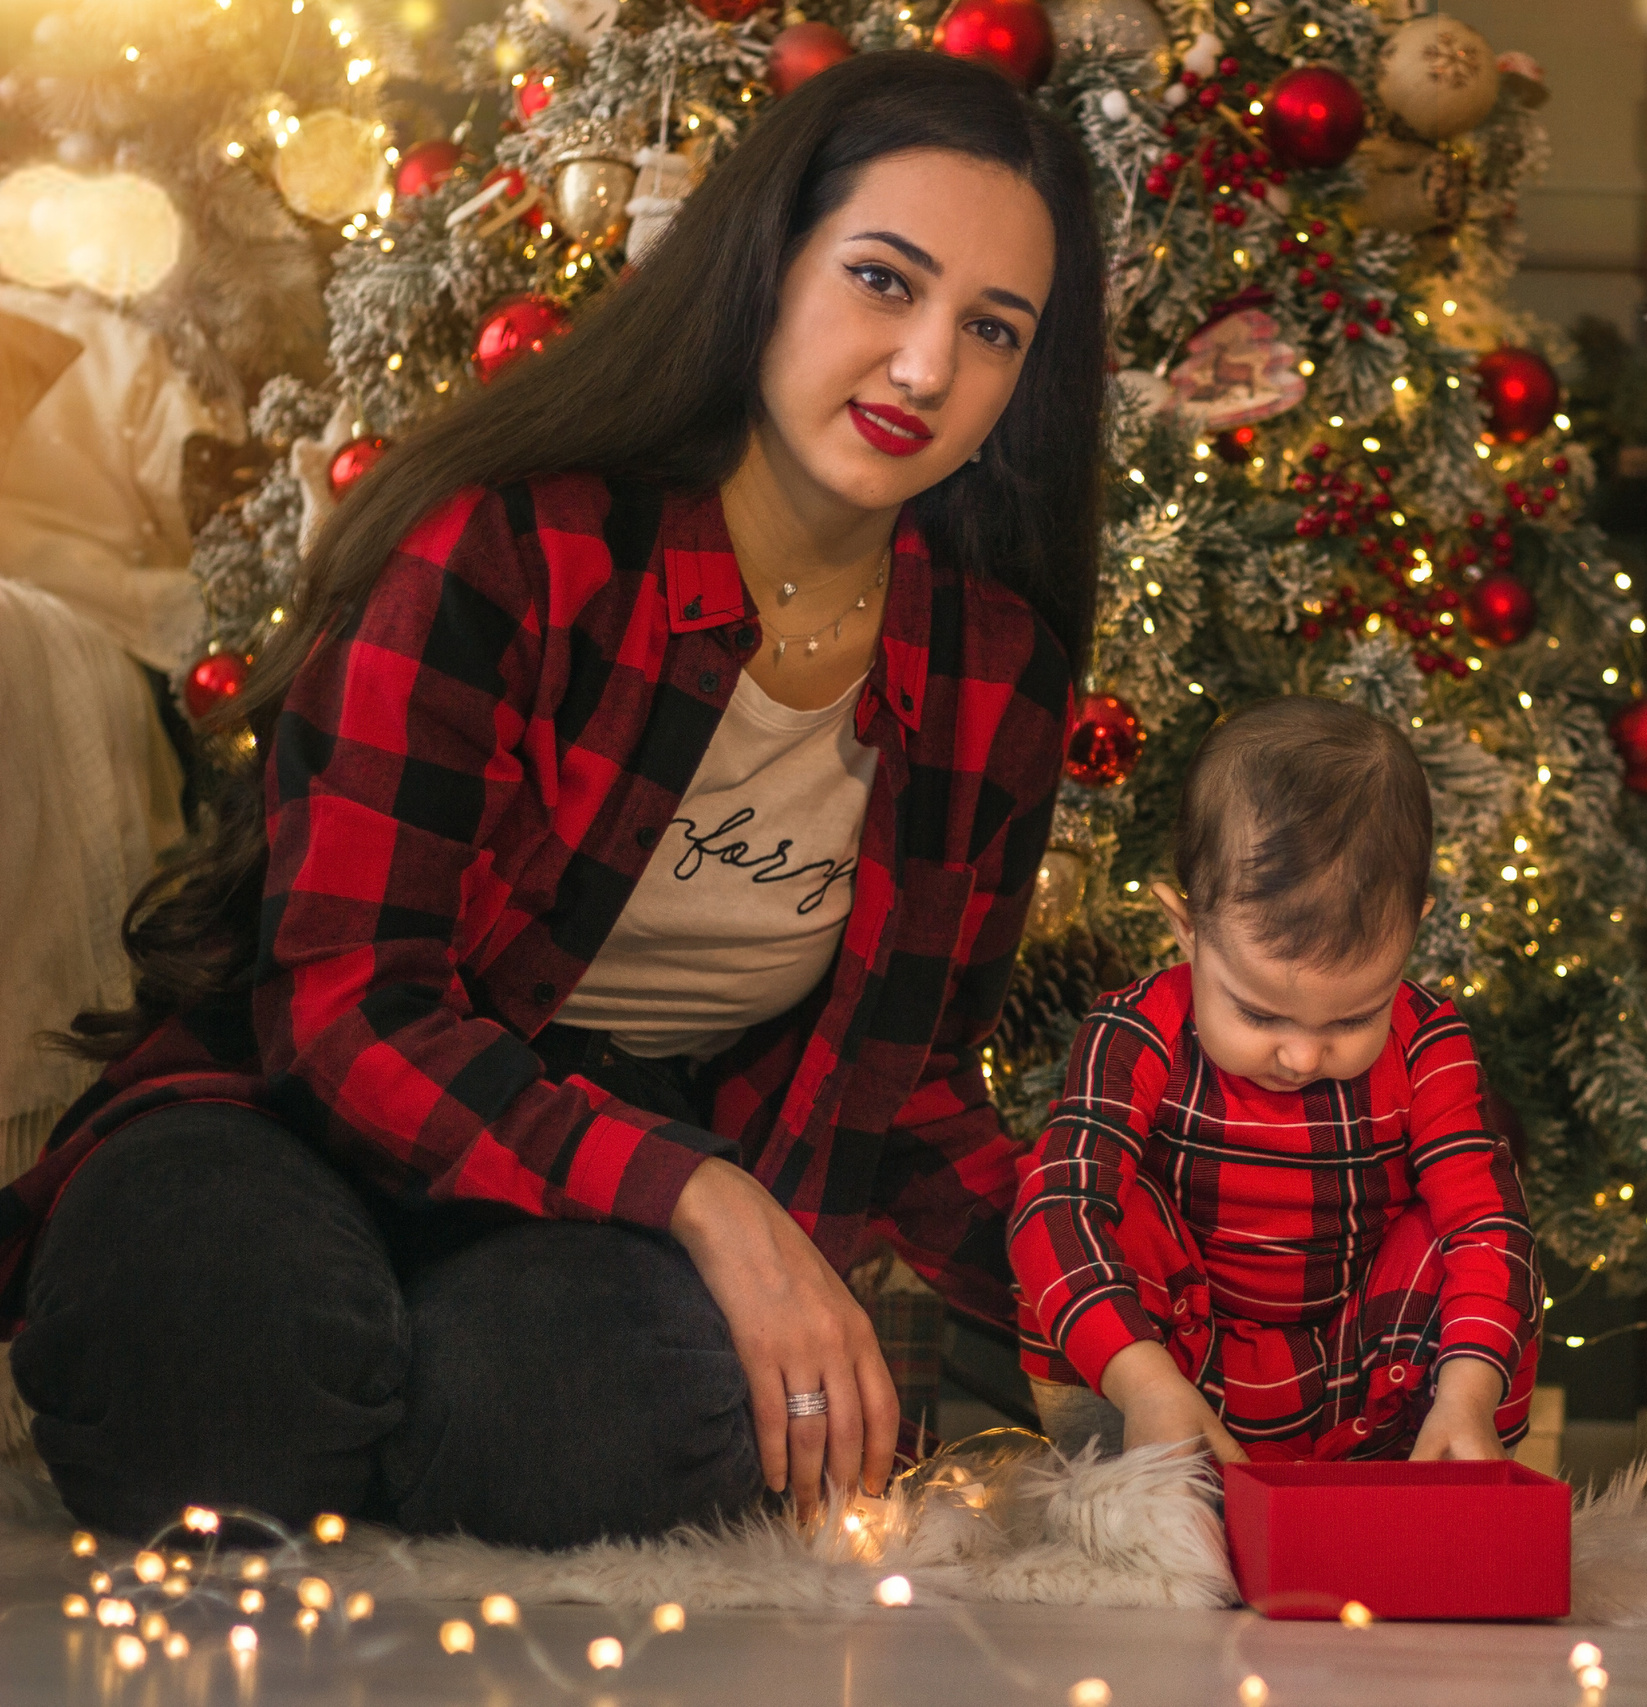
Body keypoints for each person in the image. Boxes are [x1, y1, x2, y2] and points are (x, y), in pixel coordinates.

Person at [0, 50, 1106, 1547]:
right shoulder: (513, 551)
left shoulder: (991, 669)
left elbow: (905, 1090)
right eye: (883, 281)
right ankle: (336, 1362)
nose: (924, 367)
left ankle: (408, 1391)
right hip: (304, 1104)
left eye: (991, 328)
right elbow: (345, 1008)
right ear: (767, 268)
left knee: (617, 1423)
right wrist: (717, 1204)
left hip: (594, 1198)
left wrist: (1136, 1338)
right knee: (210, 1351)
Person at [1009, 698, 1540, 1462]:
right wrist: (1144, 1379)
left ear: (1413, 932)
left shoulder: (1428, 1044)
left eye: (1352, 1019)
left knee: (1486, 1237)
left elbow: (1486, 1230)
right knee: (1067, 1209)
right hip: (1169, 1379)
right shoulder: (1135, 1032)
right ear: (1185, 927)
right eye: (1260, 1015)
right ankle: (1129, 1476)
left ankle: (1436, 1467)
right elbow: (1059, 1207)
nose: (1300, 1057)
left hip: (1363, 1388)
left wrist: (1468, 1388)